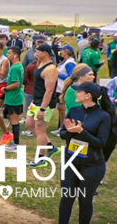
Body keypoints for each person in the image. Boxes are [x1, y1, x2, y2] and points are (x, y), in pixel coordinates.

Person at [58, 82, 112, 224]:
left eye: (79, 91)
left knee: (85, 200)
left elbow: (101, 143)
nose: (75, 93)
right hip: (70, 161)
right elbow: (63, 134)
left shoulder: (103, 116)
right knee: (67, 197)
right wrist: (69, 132)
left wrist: (82, 132)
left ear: (88, 96)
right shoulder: (75, 110)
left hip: (92, 165)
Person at [28, 44, 61, 168]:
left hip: (44, 103)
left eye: (38, 51)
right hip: (35, 101)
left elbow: (49, 91)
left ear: (45, 53)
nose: (35, 53)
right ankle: (51, 147)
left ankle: (40, 158)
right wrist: (38, 60)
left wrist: (43, 108)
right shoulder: (40, 63)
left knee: (40, 130)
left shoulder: (51, 69)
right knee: (29, 124)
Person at [3, 47, 25, 152]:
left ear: (15, 55)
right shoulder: (18, 66)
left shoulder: (15, 68)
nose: (7, 55)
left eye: (9, 53)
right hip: (14, 97)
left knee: (14, 121)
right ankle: (14, 141)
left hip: (14, 97)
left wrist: (5, 88)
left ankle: (16, 144)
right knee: (11, 120)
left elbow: (16, 84)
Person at [54, 45, 76, 135]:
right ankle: (60, 126)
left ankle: (63, 127)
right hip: (59, 87)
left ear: (66, 52)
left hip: (63, 88)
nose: (60, 52)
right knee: (60, 108)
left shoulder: (70, 63)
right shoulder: (64, 62)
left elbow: (71, 76)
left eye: (62, 51)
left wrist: (57, 74)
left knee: (62, 109)